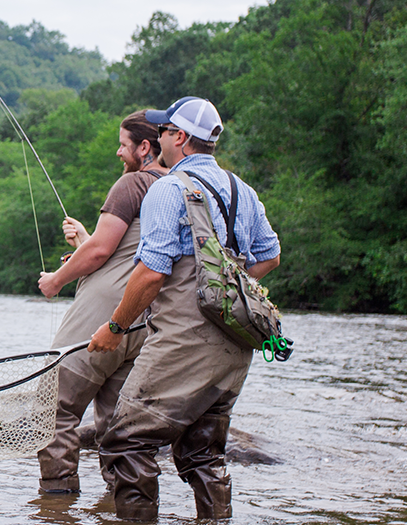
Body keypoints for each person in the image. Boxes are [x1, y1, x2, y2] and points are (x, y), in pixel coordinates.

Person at [87, 96, 281, 521]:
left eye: (163, 131)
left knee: (125, 441)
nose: (157, 138)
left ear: (181, 138)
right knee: (202, 453)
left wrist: (115, 328)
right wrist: (224, 293)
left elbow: (151, 274)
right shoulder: (241, 190)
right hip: (236, 345)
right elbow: (269, 256)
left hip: (184, 342)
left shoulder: (168, 188)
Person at [33, 110, 165, 495]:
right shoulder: (176, 189)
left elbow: (100, 253)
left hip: (103, 317)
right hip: (144, 322)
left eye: (123, 144)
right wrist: (85, 239)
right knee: (118, 424)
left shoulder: (131, 185)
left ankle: (57, 506)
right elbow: (127, 252)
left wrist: (55, 281)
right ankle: (125, 507)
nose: (118, 152)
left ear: (144, 147)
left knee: (52, 408)